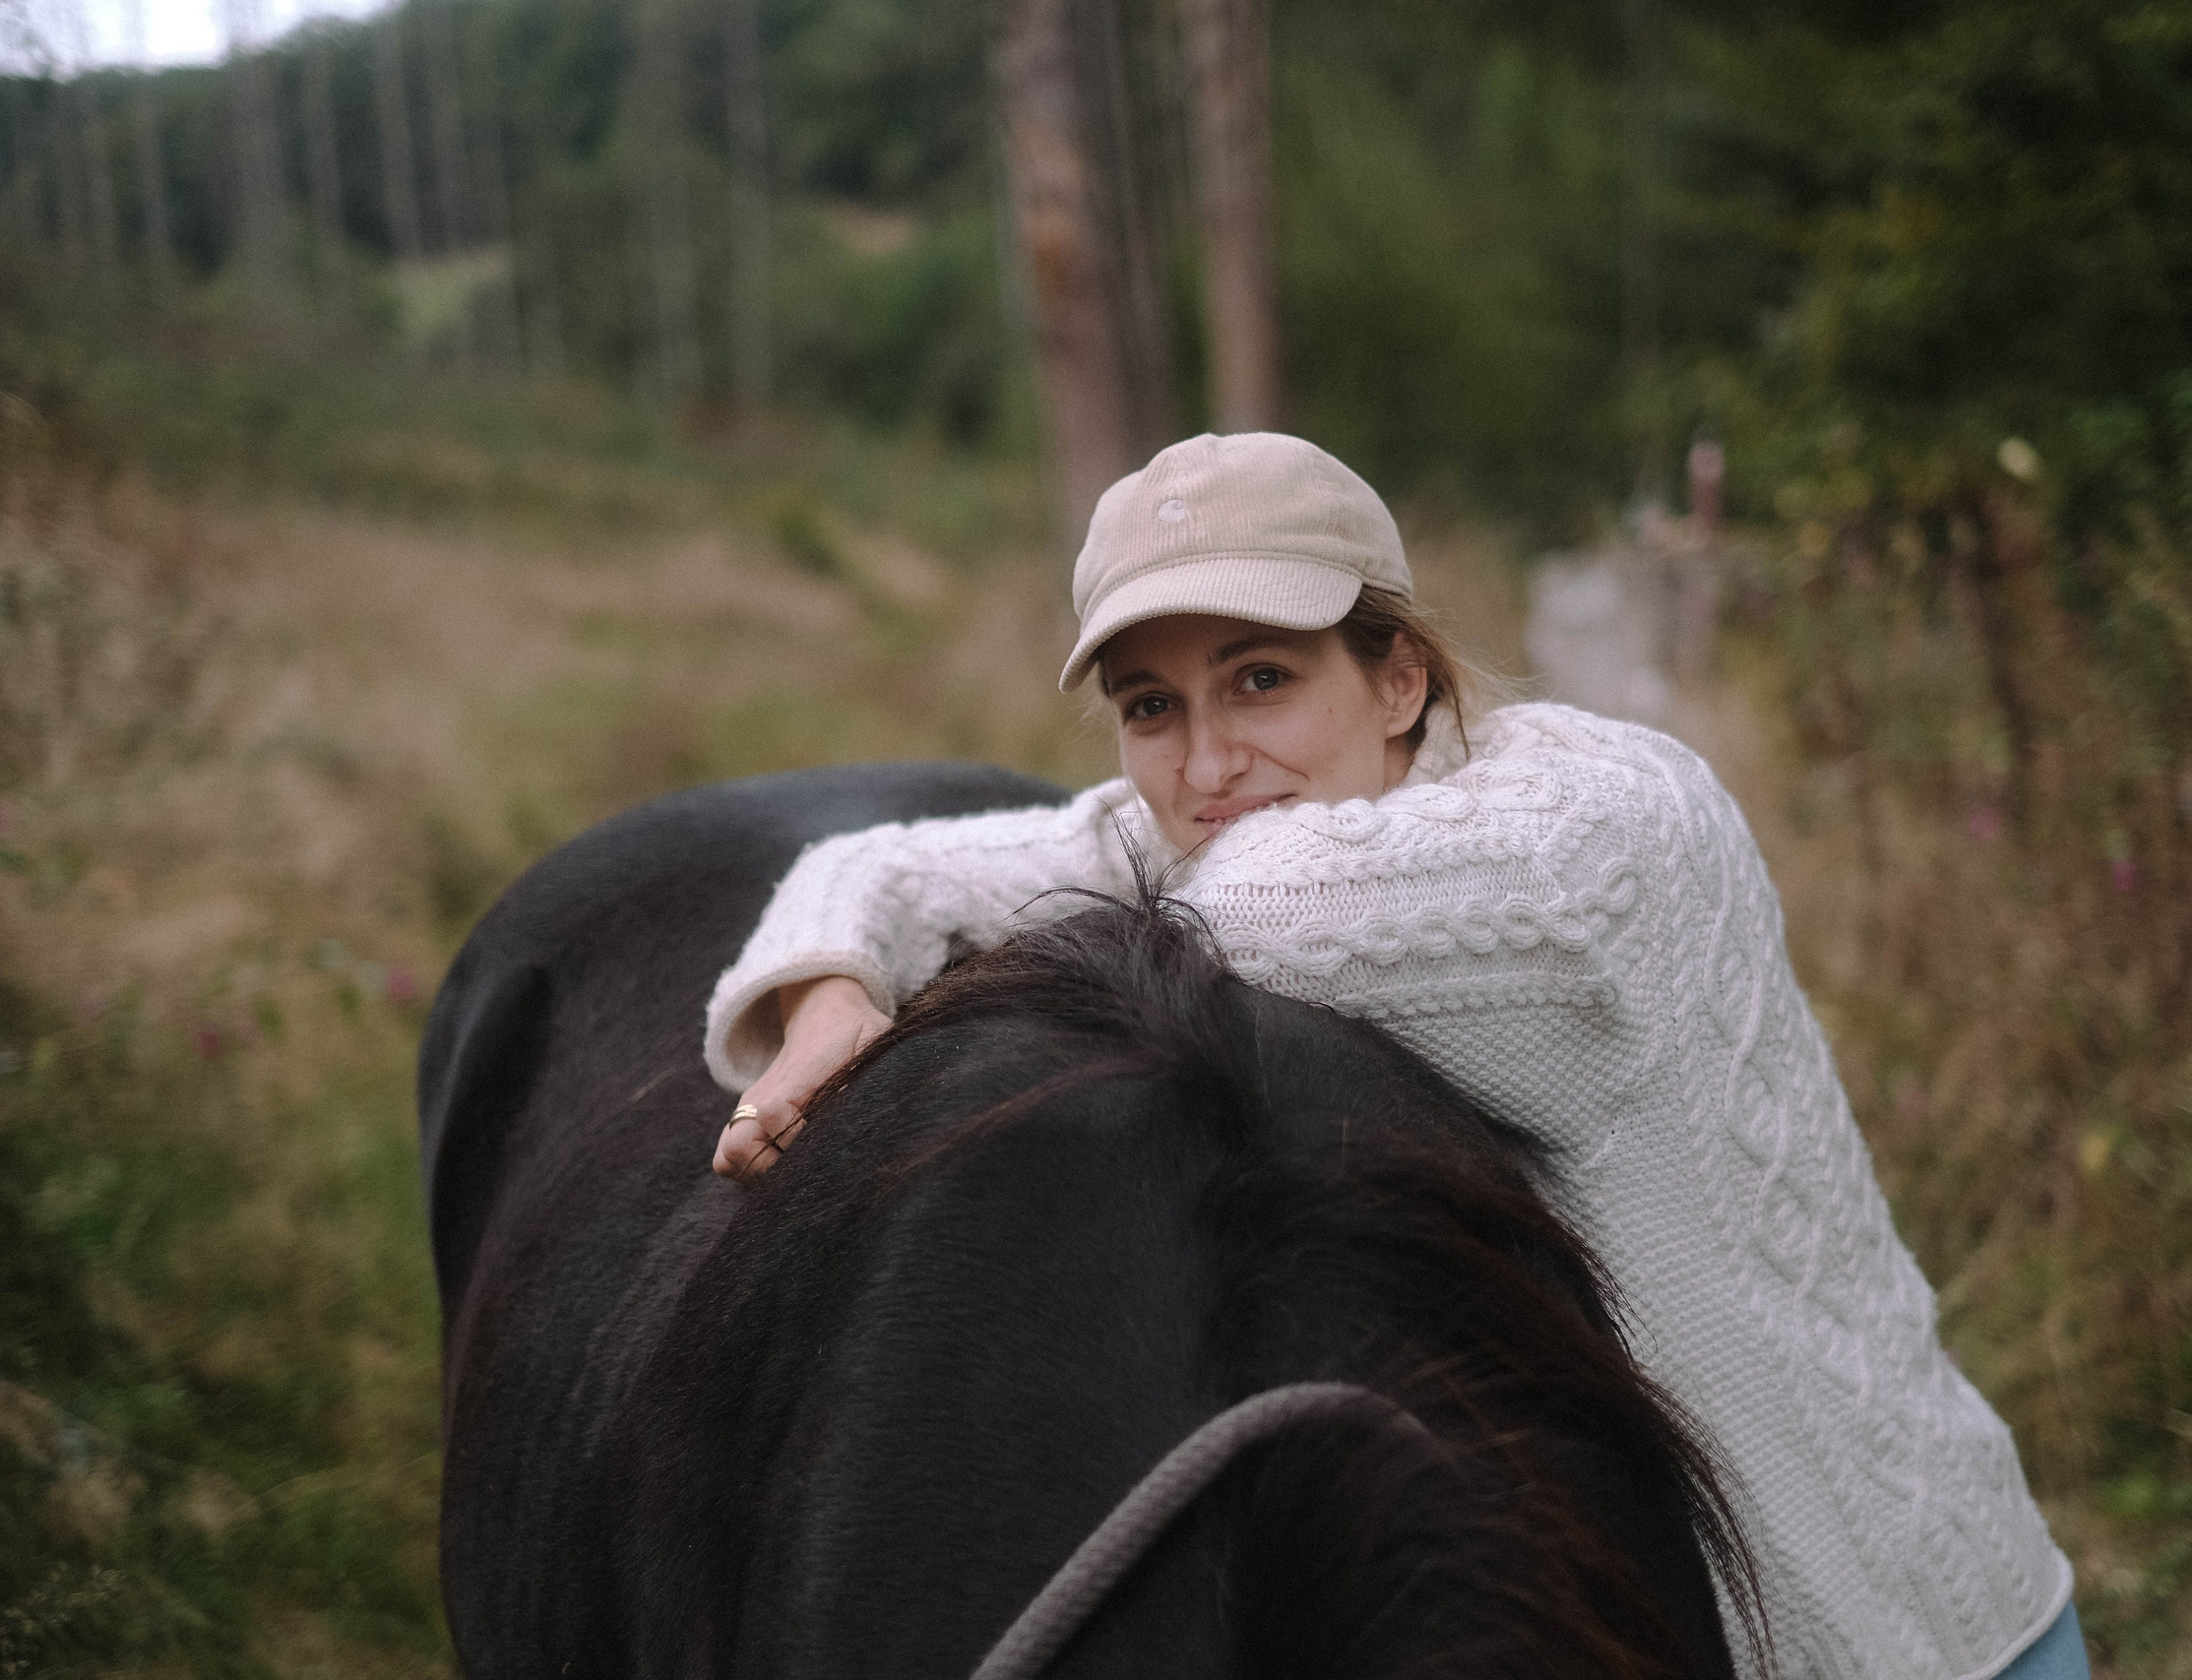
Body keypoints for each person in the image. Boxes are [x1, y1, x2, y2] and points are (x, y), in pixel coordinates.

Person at [701, 431, 2091, 1680]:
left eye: (1260, 678)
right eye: (1150, 706)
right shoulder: (1251, 812)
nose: (1204, 763)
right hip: (1664, 1618)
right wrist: (834, 990)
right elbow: (873, 860)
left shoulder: (1597, 834)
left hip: (1907, 1626)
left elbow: (1218, 904)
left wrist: (984, 935)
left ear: (1400, 672)